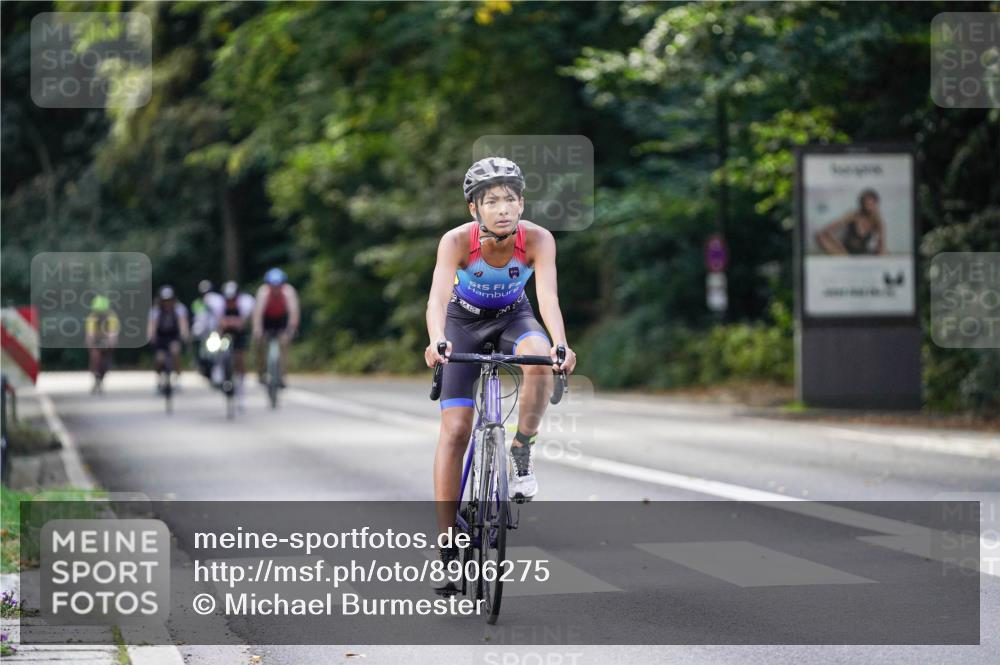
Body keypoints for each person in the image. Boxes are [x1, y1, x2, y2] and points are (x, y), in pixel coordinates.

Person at [424, 157, 577, 592]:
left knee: (541, 360)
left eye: (511, 199)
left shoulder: (538, 239)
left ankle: (521, 448)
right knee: (455, 430)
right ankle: (448, 548)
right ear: (474, 209)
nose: (504, 208)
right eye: (492, 201)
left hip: (514, 317)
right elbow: (436, 300)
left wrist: (560, 343)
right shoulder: (456, 242)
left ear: (522, 202)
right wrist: (438, 340)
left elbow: (547, 298)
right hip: (462, 324)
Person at [205, 281, 255, 410]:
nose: (230, 301)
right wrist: (227, 323)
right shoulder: (218, 304)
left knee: (240, 359)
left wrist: (234, 323)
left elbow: (243, 322)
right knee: (216, 344)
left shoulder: (245, 303)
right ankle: (218, 367)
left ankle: (241, 393)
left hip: (239, 333)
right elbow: (219, 322)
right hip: (224, 332)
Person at [252, 268, 300, 388]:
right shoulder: (263, 292)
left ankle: (282, 375)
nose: (275, 288)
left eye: (278, 285)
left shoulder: (288, 292)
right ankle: (261, 371)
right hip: (267, 320)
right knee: (259, 343)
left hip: (281, 320)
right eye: (272, 285)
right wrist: (257, 328)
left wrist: (292, 328)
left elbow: (293, 311)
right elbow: (258, 312)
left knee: (284, 343)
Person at [815, 188, 887, 256]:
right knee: (820, 235)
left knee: (885, 253)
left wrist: (880, 253)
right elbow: (827, 229)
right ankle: (844, 257)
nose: (870, 207)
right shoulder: (853, 216)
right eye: (867, 204)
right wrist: (839, 245)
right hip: (845, 252)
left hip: (863, 253)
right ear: (862, 204)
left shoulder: (877, 221)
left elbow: (881, 244)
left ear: (876, 204)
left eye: (872, 204)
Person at [147, 285, 190, 393]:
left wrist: (185, 334)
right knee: (159, 359)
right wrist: (151, 336)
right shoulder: (155, 311)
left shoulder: (180, 309)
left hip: (174, 336)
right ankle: (159, 380)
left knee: (175, 351)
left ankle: (178, 378)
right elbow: (152, 326)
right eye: (165, 300)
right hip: (161, 337)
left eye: (169, 300)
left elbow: (183, 324)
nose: (167, 303)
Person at [84, 295, 119, 394]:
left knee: (106, 362)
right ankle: (95, 376)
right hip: (96, 340)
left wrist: (110, 344)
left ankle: (102, 377)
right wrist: (91, 346)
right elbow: (89, 334)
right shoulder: (92, 317)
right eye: (97, 311)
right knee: (95, 357)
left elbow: (113, 333)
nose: (99, 313)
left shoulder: (111, 317)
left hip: (107, 339)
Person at [190, 280, 219, 379]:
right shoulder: (197, 303)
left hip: (214, 331)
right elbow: (198, 318)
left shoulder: (216, 302)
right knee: (195, 340)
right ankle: (196, 360)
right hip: (202, 331)